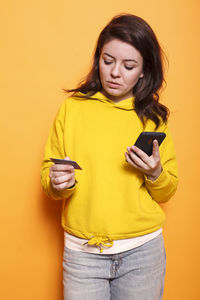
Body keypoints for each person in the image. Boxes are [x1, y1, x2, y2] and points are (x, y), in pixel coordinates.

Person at [41, 14, 178, 300]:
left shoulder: (153, 118)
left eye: (129, 66)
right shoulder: (72, 109)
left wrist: (154, 173)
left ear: (143, 70)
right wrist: (57, 183)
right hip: (83, 255)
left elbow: (168, 190)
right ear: (97, 59)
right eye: (107, 61)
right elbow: (48, 179)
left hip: (143, 253)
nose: (115, 73)